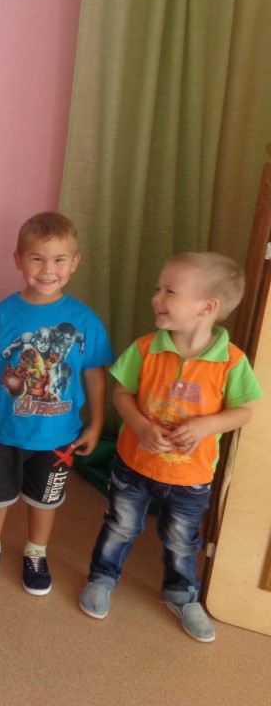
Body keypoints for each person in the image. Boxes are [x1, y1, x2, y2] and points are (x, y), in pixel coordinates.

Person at [79, 253, 262, 642]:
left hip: (191, 476)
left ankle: (182, 595)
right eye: (157, 289)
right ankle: (101, 578)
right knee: (119, 526)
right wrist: (141, 426)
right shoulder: (146, 348)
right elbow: (122, 394)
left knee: (182, 540)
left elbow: (244, 411)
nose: (156, 298)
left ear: (207, 307)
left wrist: (207, 424)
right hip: (134, 465)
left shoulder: (231, 362)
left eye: (169, 291)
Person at [0, 212, 114, 596]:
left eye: (59, 260)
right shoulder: (1, 315)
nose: (48, 270)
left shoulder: (84, 320)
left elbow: (95, 375)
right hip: (2, 431)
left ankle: (36, 552)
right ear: (18, 259)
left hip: (58, 436)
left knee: (45, 500)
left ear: (74, 262)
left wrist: (96, 424)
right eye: (37, 258)